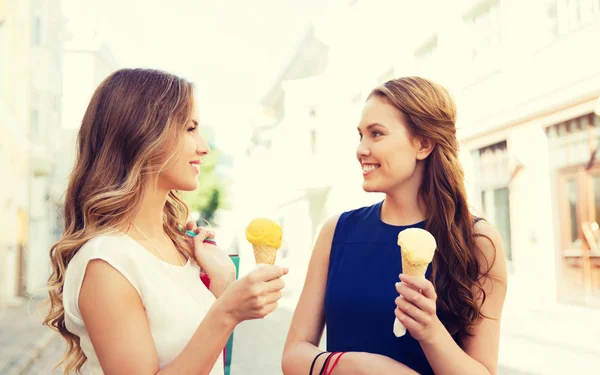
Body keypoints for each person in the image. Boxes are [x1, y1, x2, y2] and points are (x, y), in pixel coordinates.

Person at [43, 68, 287, 375]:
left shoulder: (178, 247)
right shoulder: (106, 262)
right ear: (143, 134)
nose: (204, 147)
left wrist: (223, 283)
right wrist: (227, 311)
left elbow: (204, 360)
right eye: (190, 128)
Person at [282, 76, 507, 375]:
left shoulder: (477, 241)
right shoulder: (336, 232)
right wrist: (361, 366)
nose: (361, 149)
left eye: (376, 134)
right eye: (360, 135)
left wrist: (431, 332)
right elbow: (293, 355)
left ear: (423, 144)